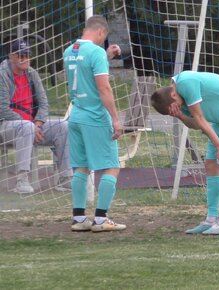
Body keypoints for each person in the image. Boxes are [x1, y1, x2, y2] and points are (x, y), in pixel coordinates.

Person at [151, 71, 219, 235]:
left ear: (173, 93)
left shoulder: (186, 83)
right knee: (210, 163)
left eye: (175, 107)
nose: (177, 108)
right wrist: (179, 116)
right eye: (173, 110)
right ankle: (211, 218)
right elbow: (196, 124)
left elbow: (199, 118)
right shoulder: (178, 97)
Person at [63, 15, 126, 232]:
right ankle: (101, 219)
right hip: (95, 117)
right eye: (104, 38)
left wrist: (106, 56)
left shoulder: (69, 51)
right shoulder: (96, 52)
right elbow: (103, 88)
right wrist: (116, 119)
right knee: (112, 166)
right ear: (100, 32)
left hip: (76, 115)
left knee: (81, 167)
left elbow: (85, 73)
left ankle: (79, 219)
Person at [0, 39, 72, 193]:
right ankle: (22, 180)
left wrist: (37, 124)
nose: (25, 58)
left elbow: (44, 102)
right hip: (6, 126)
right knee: (26, 127)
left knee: (64, 125)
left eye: (27, 55)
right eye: (20, 55)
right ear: (11, 57)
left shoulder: (32, 73)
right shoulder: (2, 75)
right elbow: (2, 109)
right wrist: (31, 126)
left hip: (32, 125)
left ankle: (66, 177)